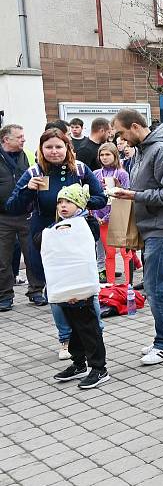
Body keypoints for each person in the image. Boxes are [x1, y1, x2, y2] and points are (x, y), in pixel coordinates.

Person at [6, 128, 106, 358]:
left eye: (58, 146)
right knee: (56, 289)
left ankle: (94, 332)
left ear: (67, 148)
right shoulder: (34, 172)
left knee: (86, 287)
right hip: (47, 239)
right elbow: (13, 206)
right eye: (48, 147)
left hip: (78, 238)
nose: (53, 151)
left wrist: (80, 199)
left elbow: (100, 199)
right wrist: (26, 190)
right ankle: (66, 339)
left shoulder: (80, 169)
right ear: (41, 149)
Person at [111, 109, 163, 366]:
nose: (119, 140)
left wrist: (135, 196)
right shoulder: (145, 149)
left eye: (121, 134)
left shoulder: (160, 150)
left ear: (134, 127)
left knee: (156, 288)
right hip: (156, 226)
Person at [45, 184, 110, 390]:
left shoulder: (87, 223)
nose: (63, 206)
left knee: (88, 327)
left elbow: (84, 249)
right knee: (73, 327)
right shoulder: (57, 226)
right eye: (60, 202)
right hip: (65, 286)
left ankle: (99, 368)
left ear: (80, 204)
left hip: (81, 287)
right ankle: (79, 363)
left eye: (69, 202)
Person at [0, 124, 46, 312]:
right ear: (5, 140)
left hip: (27, 214)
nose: (23, 139)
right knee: (2, 259)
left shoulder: (27, 154)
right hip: (3, 217)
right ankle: (4, 296)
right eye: (19, 137)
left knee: (33, 255)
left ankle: (35, 291)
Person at [92, 143, 132, 286]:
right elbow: (94, 196)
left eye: (108, 154)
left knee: (125, 253)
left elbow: (127, 197)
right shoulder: (96, 174)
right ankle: (110, 285)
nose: (104, 157)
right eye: (102, 155)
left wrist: (118, 186)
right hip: (102, 219)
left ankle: (129, 285)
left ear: (115, 155)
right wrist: (96, 215)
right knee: (109, 254)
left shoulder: (122, 173)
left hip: (119, 219)